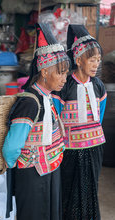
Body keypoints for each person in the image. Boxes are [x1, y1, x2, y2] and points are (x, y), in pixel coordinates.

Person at [2, 23, 70, 220]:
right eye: (60, 72)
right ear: (45, 71)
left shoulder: (46, 97)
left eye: (66, 73)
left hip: (49, 171)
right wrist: (15, 165)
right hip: (33, 176)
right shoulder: (30, 102)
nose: (64, 79)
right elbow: (11, 148)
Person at [52, 24, 107, 220]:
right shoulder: (64, 86)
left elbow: (99, 117)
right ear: (79, 60)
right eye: (92, 60)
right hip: (69, 149)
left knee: (91, 188)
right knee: (69, 189)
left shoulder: (99, 86)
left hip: (94, 147)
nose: (96, 65)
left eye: (98, 60)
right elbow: (56, 117)